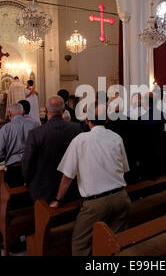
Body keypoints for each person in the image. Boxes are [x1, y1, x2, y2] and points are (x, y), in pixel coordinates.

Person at [50, 103, 131, 256]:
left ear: (87, 120)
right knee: (115, 244)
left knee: (80, 245)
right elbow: (125, 169)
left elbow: (67, 176)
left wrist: (58, 199)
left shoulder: (80, 140)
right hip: (121, 197)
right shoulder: (116, 137)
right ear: (107, 119)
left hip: (96, 203)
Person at [21, 96, 82, 204]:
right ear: (64, 111)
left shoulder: (36, 133)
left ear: (45, 110)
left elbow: (27, 161)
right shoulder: (77, 129)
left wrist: (27, 180)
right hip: (72, 187)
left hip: (44, 188)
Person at [0, 103, 38, 187]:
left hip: (14, 169)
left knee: (14, 198)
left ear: (9, 113)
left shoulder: (6, 128)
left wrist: (5, 156)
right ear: (23, 113)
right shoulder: (35, 124)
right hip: (33, 167)